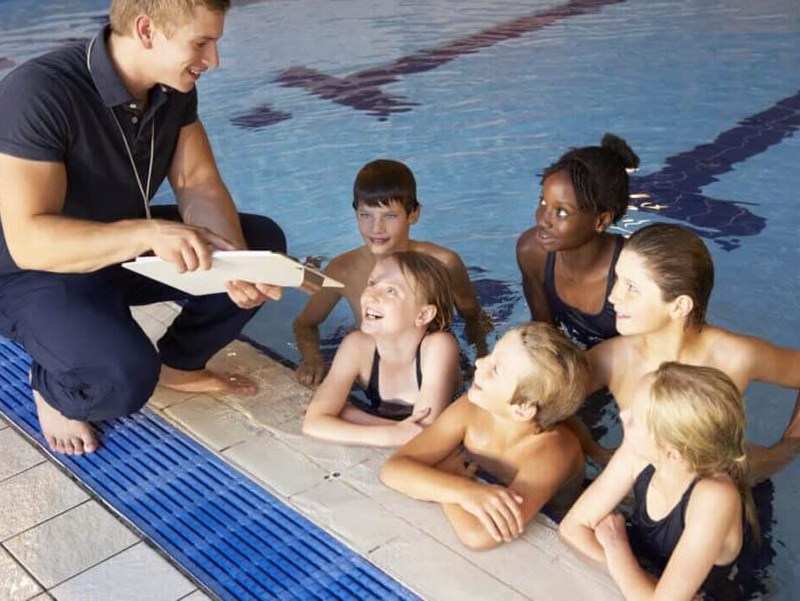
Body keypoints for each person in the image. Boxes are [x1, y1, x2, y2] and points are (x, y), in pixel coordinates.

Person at [0, 0, 286, 456]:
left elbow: (198, 184)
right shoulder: (38, 92)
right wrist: (148, 234)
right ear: (146, 30)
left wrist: (232, 263)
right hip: (30, 275)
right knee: (122, 380)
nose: (213, 60)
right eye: (201, 43)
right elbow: (29, 241)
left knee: (262, 242)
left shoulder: (172, 87)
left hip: (120, 253)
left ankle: (180, 366)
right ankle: (50, 385)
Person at [585, 223, 800, 481]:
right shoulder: (611, 360)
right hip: (639, 495)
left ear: (679, 306)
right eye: (616, 278)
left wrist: (783, 453)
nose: (614, 296)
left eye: (632, 287)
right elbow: (550, 401)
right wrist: (597, 452)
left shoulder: (734, 357)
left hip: (725, 490)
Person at [379, 321, 586, 550]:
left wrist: (449, 479)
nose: (479, 362)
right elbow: (392, 469)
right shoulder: (470, 409)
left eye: (496, 370)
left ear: (522, 408)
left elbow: (479, 536)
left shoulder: (551, 454)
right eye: (492, 354)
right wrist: (462, 490)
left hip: (553, 518)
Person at [559, 363, 757, 600]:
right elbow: (571, 529)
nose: (623, 415)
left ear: (671, 453)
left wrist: (615, 545)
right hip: (648, 564)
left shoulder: (714, 498)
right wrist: (640, 582)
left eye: (635, 419)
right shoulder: (637, 452)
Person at [293, 159, 490, 385]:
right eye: (366, 215)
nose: (377, 228)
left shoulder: (444, 263)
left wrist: (482, 360)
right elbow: (304, 324)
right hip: (379, 374)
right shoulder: (343, 270)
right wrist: (312, 358)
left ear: (414, 214)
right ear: (355, 213)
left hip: (435, 368)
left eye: (390, 216)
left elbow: (474, 319)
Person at [302, 251, 459, 446]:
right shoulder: (356, 346)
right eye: (372, 283)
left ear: (423, 314)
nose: (371, 296)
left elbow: (425, 437)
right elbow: (312, 424)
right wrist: (391, 434)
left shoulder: (439, 347)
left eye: (391, 291)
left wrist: (354, 416)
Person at [516, 133, 640, 349]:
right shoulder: (532, 252)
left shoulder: (634, 271)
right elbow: (545, 339)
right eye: (543, 201)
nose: (543, 220)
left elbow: (649, 353)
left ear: (601, 221)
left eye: (562, 212)